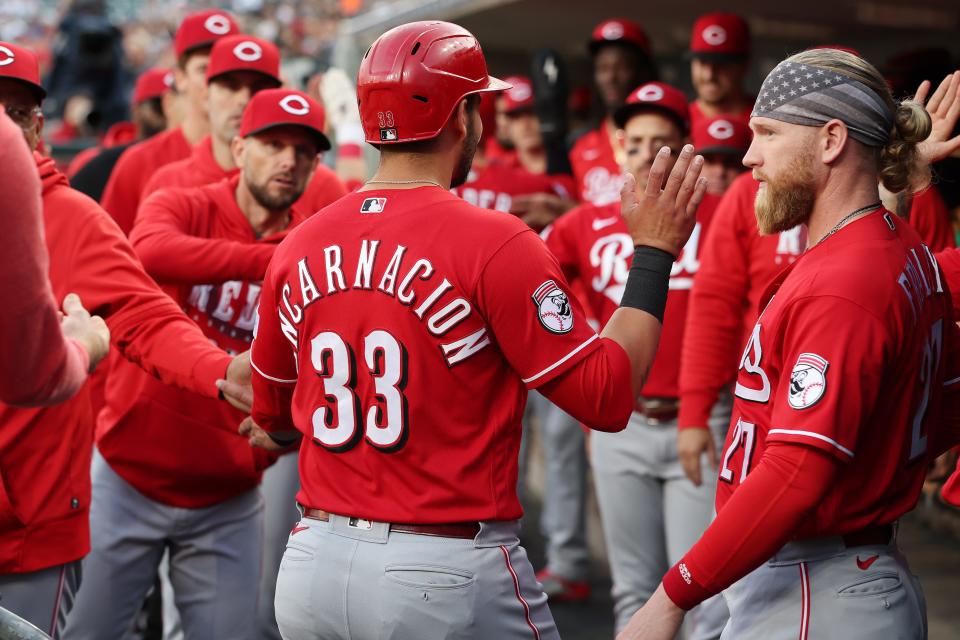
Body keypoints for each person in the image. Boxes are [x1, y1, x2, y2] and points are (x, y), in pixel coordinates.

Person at [239, 20, 708, 640]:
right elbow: (607, 396)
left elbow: (271, 423)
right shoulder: (496, 241)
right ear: (461, 114)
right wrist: (651, 252)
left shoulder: (300, 242)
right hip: (443, 570)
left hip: (313, 567)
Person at [619, 48, 960, 640]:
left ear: (831, 141)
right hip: (845, 575)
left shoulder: (847, 282)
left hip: (818, 584)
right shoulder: (896, 247)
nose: (750, 156)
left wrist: (671, 598)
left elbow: (798, 471)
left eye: (768, 133)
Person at [0, 41, 249, 640]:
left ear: (36, 128)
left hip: (27, 527)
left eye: (12, 114)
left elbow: (145, 316)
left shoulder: (70, 218)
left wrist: (218, 370)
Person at [63, 88, 328, 640]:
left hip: (228, 496)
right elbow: (150, 249)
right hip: (128, 477)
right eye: (273, 143)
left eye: (304, 150)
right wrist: (279, 257)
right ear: (237, 148)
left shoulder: (319, 241)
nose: (288, 160)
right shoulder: (184, 200)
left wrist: (295, 427)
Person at [545, 81, 727, 638]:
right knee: (633, 590)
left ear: (687, 148)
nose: (648, 153)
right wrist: (585, 341)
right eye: (637, 140)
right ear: (619, 145)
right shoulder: (584, 221)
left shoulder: (723, 214)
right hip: (623, 423)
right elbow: (540, 286)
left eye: (663, 141)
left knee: (704, 595)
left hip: (703, 420)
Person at [139, 34, 346, 218]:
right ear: (207, 94)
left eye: (259, 87)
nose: (243, 99)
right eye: (230, 86)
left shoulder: (322, 186)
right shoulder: (168, 181)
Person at [0, 103, 109, 407]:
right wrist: (83, 345)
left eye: (17, 111)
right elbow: (32, 375)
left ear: (38, 127)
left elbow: (143, 306)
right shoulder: (5, 144)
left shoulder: (76, 212)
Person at [100, 9, 240, 234]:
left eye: (228, 72)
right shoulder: (140, 162)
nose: (216, 82)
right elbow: (110, 254)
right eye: (205, 69)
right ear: (180, 78)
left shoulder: (264, 160)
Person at [570, 18, 657, 207]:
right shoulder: (580, 145)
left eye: (621, 67)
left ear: (642, 70)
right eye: (603, 68)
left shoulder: (667, 140)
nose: (611, 77)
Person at [70, 67, 174, 201]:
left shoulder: (187, 157)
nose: (167, 114)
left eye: (174, 104)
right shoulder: (95, 159)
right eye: (158, 106)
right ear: (135, 110)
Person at [688, 12, 754, 129]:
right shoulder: (680, 122)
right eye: (703, 63)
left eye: (721, 65)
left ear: (745, 65)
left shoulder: (765, 121)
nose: (709, 75)